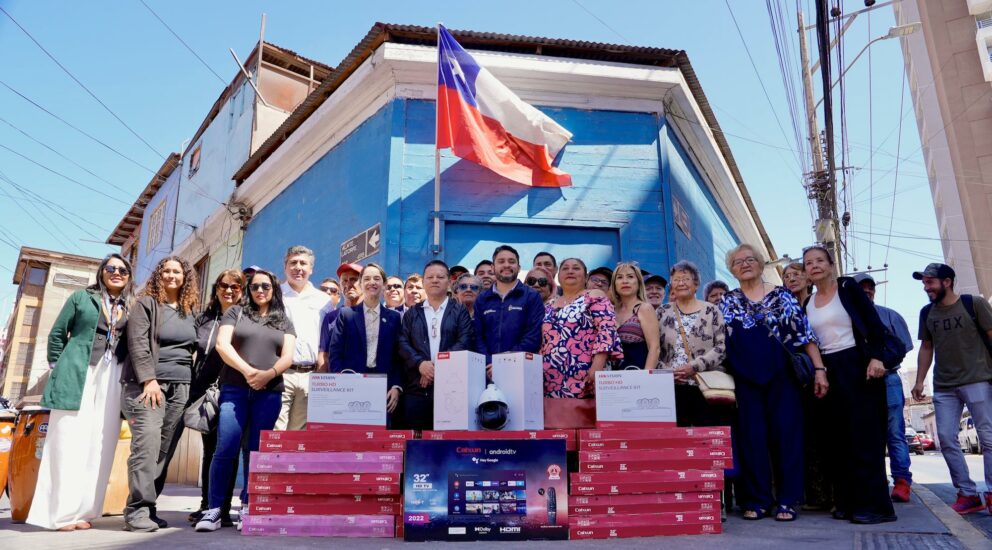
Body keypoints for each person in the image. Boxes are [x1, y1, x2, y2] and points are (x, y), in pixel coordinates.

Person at [27, 254, 133, 531]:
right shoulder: (81, 298)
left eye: (123, 269)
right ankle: (59, 514)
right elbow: (58, 334)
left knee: (100, 443)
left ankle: (85, 511)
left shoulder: (129, 306)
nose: (116, 273)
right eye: (111, 268)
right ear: (102, 272)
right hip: (78, 372)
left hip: (113, 376)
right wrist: (58, 367)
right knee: (66, 441)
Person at [721, 244, 826, 523]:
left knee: (787, 439)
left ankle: (788, 500)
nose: (745, 264)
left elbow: (804, 334)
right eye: (738, 262)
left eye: (751, 259)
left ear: (761, 264)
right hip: (745, 380)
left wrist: (819, 369)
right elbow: (719, 343)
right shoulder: (728, 301)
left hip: (783, 378)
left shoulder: (781, 295)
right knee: (752, 441)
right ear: (732, 269)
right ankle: (758, 500)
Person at [195, 269, 296, 532]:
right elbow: (222, 345)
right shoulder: (235, 313)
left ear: (274, 289)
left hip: (270, 391)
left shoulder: (283, 320)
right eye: (254, 287)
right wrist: (248, 371)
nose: (259, 291)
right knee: (225, 447)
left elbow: (287, 356)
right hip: (235, 389)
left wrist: (269, 374)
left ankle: (250, 506)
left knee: (256, 451)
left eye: (265, 286)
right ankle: (215, 510)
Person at [803, 244, 894, 524]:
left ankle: (876, 507)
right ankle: (846, 503)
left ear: (831, 264)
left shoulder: (847, 289)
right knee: (835, 440)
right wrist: (820, 370)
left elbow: (873, 325)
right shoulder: (807, 302)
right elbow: (809, 341)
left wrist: (877, 357)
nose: (814, 265)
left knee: (864, 438)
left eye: (819, 260)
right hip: (828, 369)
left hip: (859, 365)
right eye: (808, 263)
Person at [122, 256, 200, 532]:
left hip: (180, 387)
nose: (171, 275)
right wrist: (149, 380)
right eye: (166, 270)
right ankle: (136, 510)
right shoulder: (146, 305)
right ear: (158, 275)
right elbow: (138, 343)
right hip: (148, 386)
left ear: (185, 276)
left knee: (164, 449)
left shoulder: (189, 310)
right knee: (147, 444)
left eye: (176, 271)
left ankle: (149, 506)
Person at [911, 263, 992, 515]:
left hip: (978, 378)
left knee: (988, 437)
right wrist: (919, 380)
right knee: (945, 438)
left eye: (930, 282)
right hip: (944, 385)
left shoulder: (974, 304)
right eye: (924, 283)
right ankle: (967, 493)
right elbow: (927, 347)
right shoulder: (927, 313)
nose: (926, 288)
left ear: (947, 282)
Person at [184, 269, 245, 527]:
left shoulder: (246, 318)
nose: (229, 290)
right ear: (216, 288)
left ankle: (222, 507)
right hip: (204, 392)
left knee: (228, 449)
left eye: (235, 286)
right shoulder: (205, 318)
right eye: (223, 285)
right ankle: (207, 505)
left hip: (234, 389)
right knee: (210, 450)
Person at [854, 272, 915, 503]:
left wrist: (882, 359)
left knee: (895, 433)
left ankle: (902, 482)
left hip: (888, 379)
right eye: (863, 287)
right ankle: (875, 480)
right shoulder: (848, 317)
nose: (867, 291)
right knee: (866, 434)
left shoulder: (890, 315)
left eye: (871, 287)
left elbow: (904, 347)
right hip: (859, 381)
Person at [542, 258, 623, 428]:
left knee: (586, 431)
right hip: (550, 378)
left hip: (585, 374)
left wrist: (597, 366)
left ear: (585, 276)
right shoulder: (548, 306)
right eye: (565, 268)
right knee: (556, 431)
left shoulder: (594, 296)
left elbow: (606, 330)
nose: (570, 271)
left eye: (576, 268)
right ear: (558, 276)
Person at [397, 261, 475, 429]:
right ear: (424, 282)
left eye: (440, 277)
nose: (434, 280)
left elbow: (465, 340)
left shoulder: (459, 311)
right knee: (416, 443)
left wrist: (434, 367)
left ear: (449, 282)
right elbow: (403, 343)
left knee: (449, 441)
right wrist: (420, 364)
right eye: (430, 277)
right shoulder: (412, 313)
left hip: (451, 388)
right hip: (417, 387)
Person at [327, 263, 403, 420]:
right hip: (351, 384)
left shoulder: (394, 318)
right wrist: (341, 381)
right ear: (361, 284)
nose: (372, 282)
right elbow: (335, 353)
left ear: (383, 285)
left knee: (380, 437)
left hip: (384, 387)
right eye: (367, 279)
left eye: (377, 278)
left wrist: (396, 386)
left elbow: (399, 356)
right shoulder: (346, 315)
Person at [656, 261, 725, 426]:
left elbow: (722, 347)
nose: (680, 283)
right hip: (671, 386)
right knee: (676, 440)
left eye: (686, 279)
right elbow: (653, 347)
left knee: (707, 437)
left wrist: (693, 366)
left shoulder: (711, 310)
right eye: (676, 279)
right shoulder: (662, 311)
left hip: (705, 385)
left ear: (696, 284)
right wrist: (666, 371)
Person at [277, 246, 331, 431]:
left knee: (298, 434)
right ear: (285, 267)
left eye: (303, 263)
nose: (298, 267)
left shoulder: (324, 300)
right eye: (293, 263)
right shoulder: (275, 295)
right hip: (281, 374)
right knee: (275, 432)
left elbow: (329, 338)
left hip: (311, 376)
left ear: (311, 269)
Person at [474, 245, 545, 377]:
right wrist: (489, 363)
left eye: (511, 261)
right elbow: (478, 337)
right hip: (487, 371)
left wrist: (503, 362)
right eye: (501, 261)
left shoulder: (531, 296)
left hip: (521, 370)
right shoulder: (482, 299)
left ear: (518, 267)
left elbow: (533, 337)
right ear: (493, 267)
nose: (507, 265)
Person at [610, 262, 660, 371]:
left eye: (630, 277)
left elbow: (654, 348)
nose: (625, 281)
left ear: (638, 283)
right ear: (614, 284)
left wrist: (646, 378)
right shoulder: (610, 310)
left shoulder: (645, 308)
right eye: (619, 277)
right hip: (611, 379)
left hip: (637, 376)